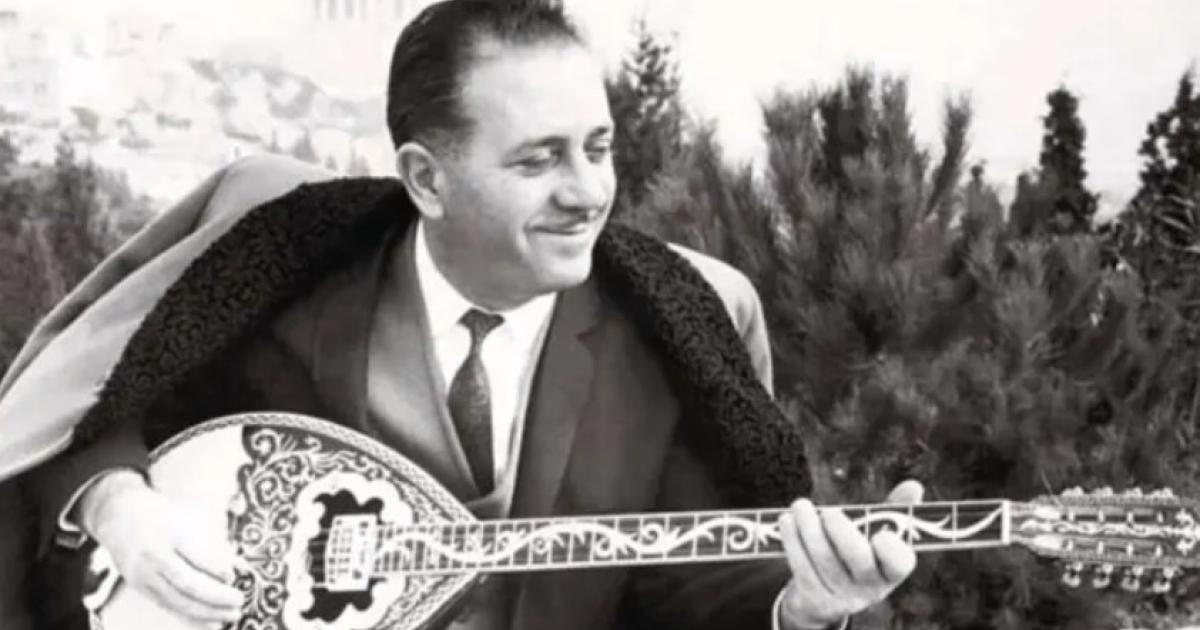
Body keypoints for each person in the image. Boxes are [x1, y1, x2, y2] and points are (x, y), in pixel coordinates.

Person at [0, 1, 923, 628]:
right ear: (425, 179)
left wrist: (804, 606)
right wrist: (117, 503)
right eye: (539, 160)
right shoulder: (276, 262)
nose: (588, 193)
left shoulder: (677, 329)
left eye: (599, 147)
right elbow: (68, 400)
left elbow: (683, 586)